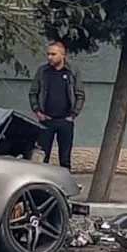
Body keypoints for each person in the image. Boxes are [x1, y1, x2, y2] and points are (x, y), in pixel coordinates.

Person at [28, 41, 85, 170]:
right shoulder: (43, 71)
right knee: (42, 156)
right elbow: (33, 93)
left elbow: (80, 94)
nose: (50, 57)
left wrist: (73, 115)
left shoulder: (72, 71)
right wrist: (38, 112)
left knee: (65, 157)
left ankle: (65, 185)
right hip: (46, 120)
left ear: (63, 55)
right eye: (48, 54)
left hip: (65, 121)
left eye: (53, 54)